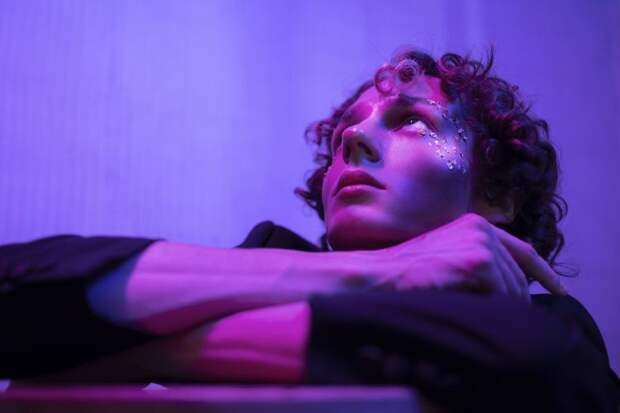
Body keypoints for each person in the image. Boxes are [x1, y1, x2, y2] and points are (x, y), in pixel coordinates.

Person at [0, 47, 618, 412]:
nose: (354, 138)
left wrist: (144, 350)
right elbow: (15, 291)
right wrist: (388, 270)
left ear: (499, 197)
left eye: (412, 121)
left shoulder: (549, 320)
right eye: (347, 128)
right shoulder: (267, 254)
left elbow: (536, 360)